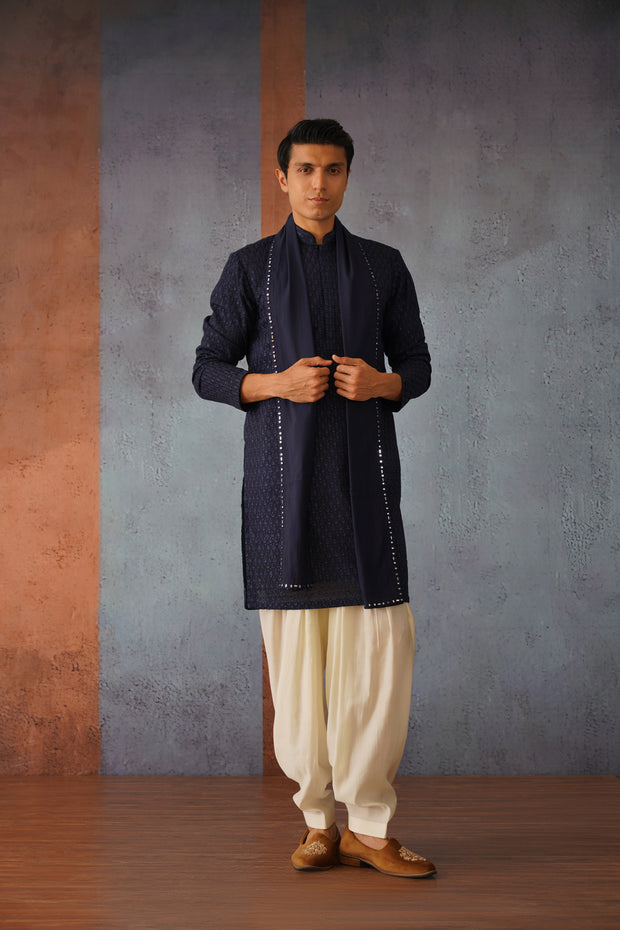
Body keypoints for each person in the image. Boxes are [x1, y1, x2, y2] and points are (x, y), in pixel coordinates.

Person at [192, 119, 435, 878]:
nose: (318, 183)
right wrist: (275, 384)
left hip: (365, 493)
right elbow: (207, 368)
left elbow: (418, 364)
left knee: (378, 663)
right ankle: (318, 823)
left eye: (332, 169)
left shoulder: (382, 266)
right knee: (298, 674)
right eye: (305, 169)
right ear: (282, 178)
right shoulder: (250, 269)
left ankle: (370, 825)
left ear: (348, 176)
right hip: (283, 500)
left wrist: (384, 383)